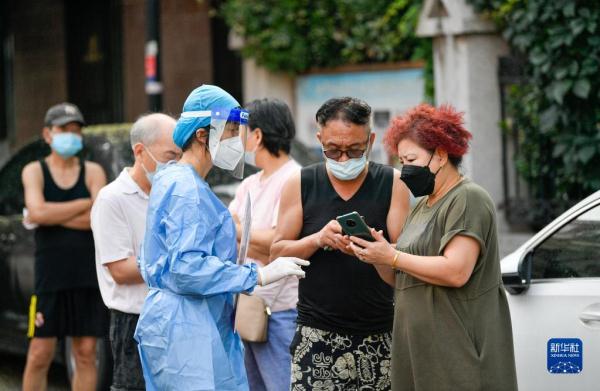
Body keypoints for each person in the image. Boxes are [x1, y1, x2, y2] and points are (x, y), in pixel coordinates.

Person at [133, 84, 310, 391]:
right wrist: (258, 275)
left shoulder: (179, 181)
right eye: (229, 131)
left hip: (190, 322)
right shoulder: (186, 189)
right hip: (186, 327)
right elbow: (186, 268)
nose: (236, 140)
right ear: (203, 135)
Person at [347, 103, 518, 391]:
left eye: (412, 159)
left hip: (457, 351)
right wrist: (377, 255)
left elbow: (456, 271)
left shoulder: (467, 198)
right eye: (402, 160)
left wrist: (394, 255)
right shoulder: (423, 205)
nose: (406, 169)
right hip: (419, 351)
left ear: (440, 154)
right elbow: (400, 276)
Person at [270, 97, 409, 390]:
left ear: (370, 140)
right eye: (333, 150)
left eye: (354, 150)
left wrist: (380, 250)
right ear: (319, 138)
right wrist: (318, 239)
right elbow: (278, 251)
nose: (344, 159)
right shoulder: (301, 182)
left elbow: (405, 260)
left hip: (380, 333)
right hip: (316, 335)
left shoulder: (393, 183)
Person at [21, 102, 109, 391]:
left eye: (76, 130)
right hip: (50, 277)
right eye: (63, 129)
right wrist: (84, 204)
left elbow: (99, 219)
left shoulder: (93, 171)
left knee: (85, 354)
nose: (70, 135)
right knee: (39, 353)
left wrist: (52, 213)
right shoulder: (34, 171)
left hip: (86, 276)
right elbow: (36, 212)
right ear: (48, 134)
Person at [90, 113, 180, 391]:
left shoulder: (172, 193)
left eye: (180, 156)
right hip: (135, 322)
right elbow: (120, 270)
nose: (175, 164)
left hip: (174, 314)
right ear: (140, 151)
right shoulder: (112, 199)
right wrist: (177, 260)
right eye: (169, 156)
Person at [228, 98, 301, 391]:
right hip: (248, 304)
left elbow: (278, 245)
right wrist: (255, 238)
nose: (237, 138)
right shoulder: (249, 183)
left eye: (241, 130)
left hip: (281, 310)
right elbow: (230, 232)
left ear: (257, 136)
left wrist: (242, 232)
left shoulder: (294, 178)